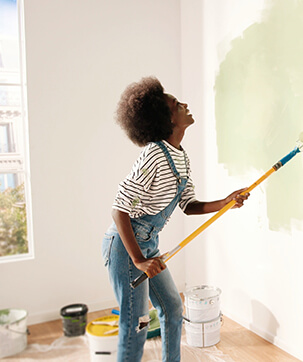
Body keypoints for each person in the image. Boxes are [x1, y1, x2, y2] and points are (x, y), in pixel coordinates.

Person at [102, 76, 249, 362]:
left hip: (148, 245)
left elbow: (188, 205)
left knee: (171, 309)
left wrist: (226, 202)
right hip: (125, 247)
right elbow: (119, 209)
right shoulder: (154, 155)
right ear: (166, 119)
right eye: (176, 104)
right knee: (136, 325)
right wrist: (138, 260)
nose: (184, 104)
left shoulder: (181, 157)